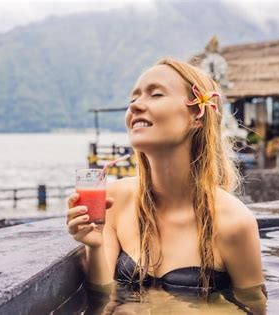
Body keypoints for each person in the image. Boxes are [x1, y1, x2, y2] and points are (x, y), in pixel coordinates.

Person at [67, 58, 266, 313]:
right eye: (133, 99)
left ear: (197, 115)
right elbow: (102, 298)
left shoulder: (234, 222)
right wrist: (93, 245)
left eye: (156, 94)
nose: (136, 106)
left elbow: (254, 306)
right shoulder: (114, 200)